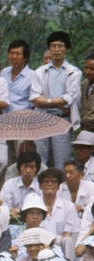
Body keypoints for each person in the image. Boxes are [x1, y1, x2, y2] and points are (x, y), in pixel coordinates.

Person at [31, 31, 83, 169]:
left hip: (62, 119)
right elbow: (35, 97)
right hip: (42, 119)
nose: (56, 49)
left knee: (62, 161)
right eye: (53, 46)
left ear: (66, 49)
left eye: (60, 46)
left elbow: (69, 98)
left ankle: (62, 190)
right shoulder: (39, 72)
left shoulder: (74, 72)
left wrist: (46, 101)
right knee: (41, 162)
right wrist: (57, 101)